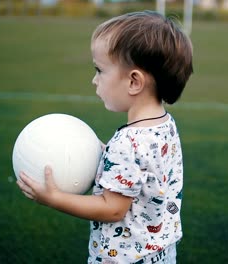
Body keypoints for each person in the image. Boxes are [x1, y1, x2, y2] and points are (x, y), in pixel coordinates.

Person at [17, 10, 193, 264]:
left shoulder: (128, 142)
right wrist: (102, 150)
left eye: (100, 70)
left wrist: (54, 198)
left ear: (134, 82)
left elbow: (112, 208)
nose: (94, 80)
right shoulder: (165, 125)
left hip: (125, 258)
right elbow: (143, 169)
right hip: (161, 253)